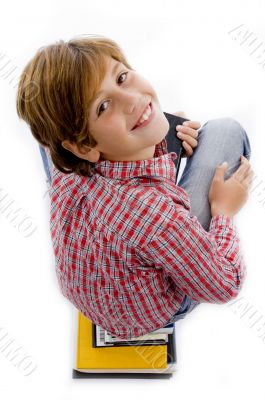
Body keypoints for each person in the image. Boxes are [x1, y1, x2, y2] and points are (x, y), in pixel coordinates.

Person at [16, 34, 253, 340]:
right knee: (226, 130)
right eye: (103, 106)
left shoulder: (65, 157)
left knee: (52, 125)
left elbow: (61, 139)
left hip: (88, 285)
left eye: (122, 77)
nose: (133, 101)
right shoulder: (158, 215)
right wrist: (223, 211)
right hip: (146, 314)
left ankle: (118, 124)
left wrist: (161, 135)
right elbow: (223, 284)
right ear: (84, 148)